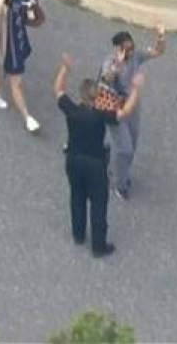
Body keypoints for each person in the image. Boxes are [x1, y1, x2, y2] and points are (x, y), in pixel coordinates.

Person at [53, 52, 143, 258]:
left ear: (81, 95)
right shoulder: (101, 116)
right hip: (95, 164)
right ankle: (98, 245)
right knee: (98, 203)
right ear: (97, 98)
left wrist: (65, 68)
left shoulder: (72, 110)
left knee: (76, 196)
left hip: (73, 160)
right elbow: (125, 112)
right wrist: (135, 89)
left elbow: (58, 90)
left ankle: (78, 234)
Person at [0, 0, 56, 132]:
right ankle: (27, 117)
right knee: (13, 81)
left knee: (3, 77)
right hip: (4, 45)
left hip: (18, 41)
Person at [99, 25, 166, 199]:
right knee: (125, 149)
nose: (130, 52)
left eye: (131, 47)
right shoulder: (110, 63)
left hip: (133, 105)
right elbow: (106, 78)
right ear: (117, 48)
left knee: (132, 143)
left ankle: (114, 163)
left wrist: (160, 37)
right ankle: (119, 184)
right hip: (115, 108)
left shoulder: (136, 56)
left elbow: (158, 52)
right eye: (126, 49)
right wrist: (117, 65)